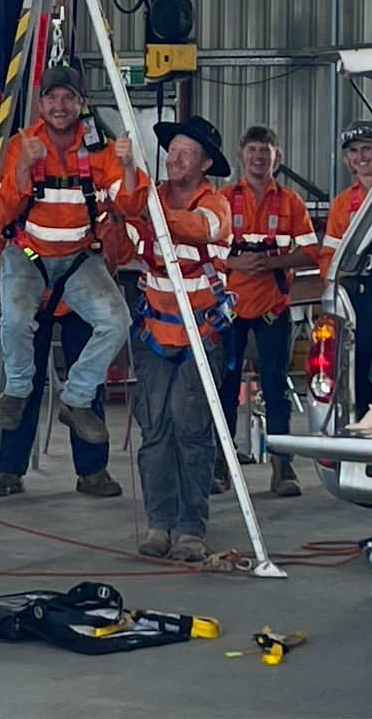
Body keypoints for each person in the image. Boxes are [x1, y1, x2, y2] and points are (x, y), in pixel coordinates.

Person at [0, 64, 148, 446]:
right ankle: (17, 390)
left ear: (82, 103)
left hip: (79, 258)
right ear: (41, 104)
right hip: (28, 255)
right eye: (52, 97)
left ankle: (76, 398)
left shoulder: (100, 151)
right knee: (15, 319)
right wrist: (25, 165)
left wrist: (129, 166)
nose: (59, 105)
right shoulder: (23, 145)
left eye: (68, 98)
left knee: (116, 320)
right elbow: (7, 208)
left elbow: (128, 205)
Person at [130, 116, 233, 563]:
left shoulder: (216, 206)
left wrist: (142, 209)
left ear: (206, 164)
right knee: (155, 432)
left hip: (200, 335)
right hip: (154, 335)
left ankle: (191, 529)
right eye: (173, 150)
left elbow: (197, 229)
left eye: (187, 152)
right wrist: (120, 207)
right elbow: (122, 247)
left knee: (192, 432)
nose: (175, 158)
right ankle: (159, 525)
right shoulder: (148, 198)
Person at [0, 210, 126, 498]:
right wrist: (24, 288)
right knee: (19, 387)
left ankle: (92, 470)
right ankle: (8, 469)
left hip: (77, 304)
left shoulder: (87, 202)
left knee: (87, 384)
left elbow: (110, 255)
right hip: (34, 301)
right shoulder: (23, 202)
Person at [217, 125, 318, 498]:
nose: (259, 157)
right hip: (229, 309)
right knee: (225, 387)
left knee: (276, 387)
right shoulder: (223, 200)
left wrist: (270, 263)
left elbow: (311, 252)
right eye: (253, 150)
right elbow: (205, 251)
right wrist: (237, 263)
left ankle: (282, 464)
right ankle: (221, 461)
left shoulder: (291, 203)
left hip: (273, 308)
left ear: (278, 157)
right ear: (241, 154)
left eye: (266, 150)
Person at [320, 120, 372, 279]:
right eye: (353, 150)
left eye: (367, 148)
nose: (360, 156)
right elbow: (329, 255)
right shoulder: (341, 203)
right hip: (359, 285)